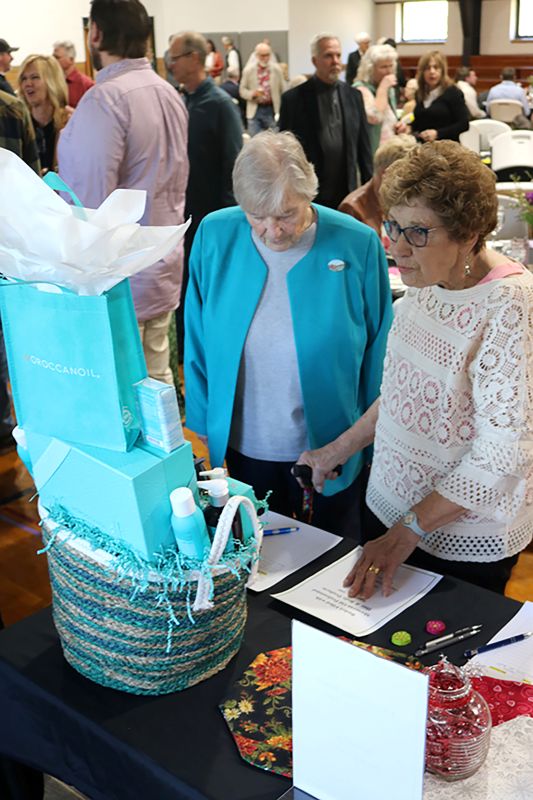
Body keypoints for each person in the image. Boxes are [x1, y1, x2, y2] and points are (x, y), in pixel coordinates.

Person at [296, 140, 533, 596]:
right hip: (389, 512)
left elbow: (503, 455)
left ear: (468, 234)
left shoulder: (510, 306)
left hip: (458, 541)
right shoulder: (426, 282)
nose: (397, 247)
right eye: (393, 226)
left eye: (418, 232)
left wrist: (409, 529)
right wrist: (336, 450)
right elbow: (403, 393)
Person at [184, 131, 392, 537]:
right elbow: (196, 333)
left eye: (286, 215)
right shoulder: (215, 234)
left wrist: (366, 443)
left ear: (309, 194)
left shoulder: (358, 243)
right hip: (243, 445)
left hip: (333, 445)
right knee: (260, 553)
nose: (273, 230)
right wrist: (204, 419)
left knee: (332, 552)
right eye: (257, 216)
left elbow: (378, 350)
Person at [59, 0, 188, 387]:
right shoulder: (168, 93)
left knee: (119, 393)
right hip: (161, 263)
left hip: (120, 277)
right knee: (156, 381)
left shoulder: (106, 99)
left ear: (95, 33)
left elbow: (88, 205)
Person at [168, 30, 243, 362]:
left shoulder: (220, 106)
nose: (170, 64)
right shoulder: (182, 100)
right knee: (186, 290)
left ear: (194, 58)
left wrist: (226, 226)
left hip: (211, 218)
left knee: (210, 292)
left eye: (175, 58)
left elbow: (234, 168)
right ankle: (188, 357)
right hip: (183, 216)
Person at [279, 33, 373, 210]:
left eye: (338, 55)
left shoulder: (354, 96)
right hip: (310, 193)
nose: (335, 61)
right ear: (315, 61)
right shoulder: (293, 100)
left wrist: (369, 191)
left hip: (346, 191)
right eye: (328, 56)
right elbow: (285, 152)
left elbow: (364, 148)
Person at [338, 134, 416, 237]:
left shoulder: (408, 200)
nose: (411, 182)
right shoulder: (353, 209)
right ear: (387, 175)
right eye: (406, 177)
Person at [17, 54, 70, 173]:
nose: (27, 83)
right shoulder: (19, 123)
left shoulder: (69, 121)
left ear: (52, 81)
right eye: (24, 78)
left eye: (34, 77)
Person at [354, 44, 406, 154]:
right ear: (370, 69)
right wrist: (383, 87)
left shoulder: (389, 89)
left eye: (391, 66)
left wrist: (398, 125)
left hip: (391, 150)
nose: (389, 71)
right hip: (372, 152)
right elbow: (375, 117)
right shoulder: (360, 89)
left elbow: (388, 117)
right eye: (383, 67)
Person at [410, 50, 468, 142]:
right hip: (424, 146)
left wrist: (438, 133)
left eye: (436, 67)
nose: (432, 72)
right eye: (427, 68)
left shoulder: (453, 92)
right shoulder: (420, 93)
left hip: (447, 146)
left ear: (443, 71)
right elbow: (420, 120)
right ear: (422, 72)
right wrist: (408, 127)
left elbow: (463, 124)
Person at [239, 42, 285, 136]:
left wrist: (281, 109)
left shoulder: (277, 70)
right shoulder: (248, 70)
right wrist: (252, 94)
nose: (265, 58)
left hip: (271, 110)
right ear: (257, 55)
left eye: (267, 55)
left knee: (274, 139)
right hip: (254, 110)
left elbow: (283, 89)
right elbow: (242, 90)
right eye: (262, 55)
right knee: (254, 141)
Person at [53, 40, 95, 107]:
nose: (53, 61)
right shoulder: (52, 81)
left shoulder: (86, 84)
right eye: (52, 57)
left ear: (71, 59)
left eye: (57, 57)